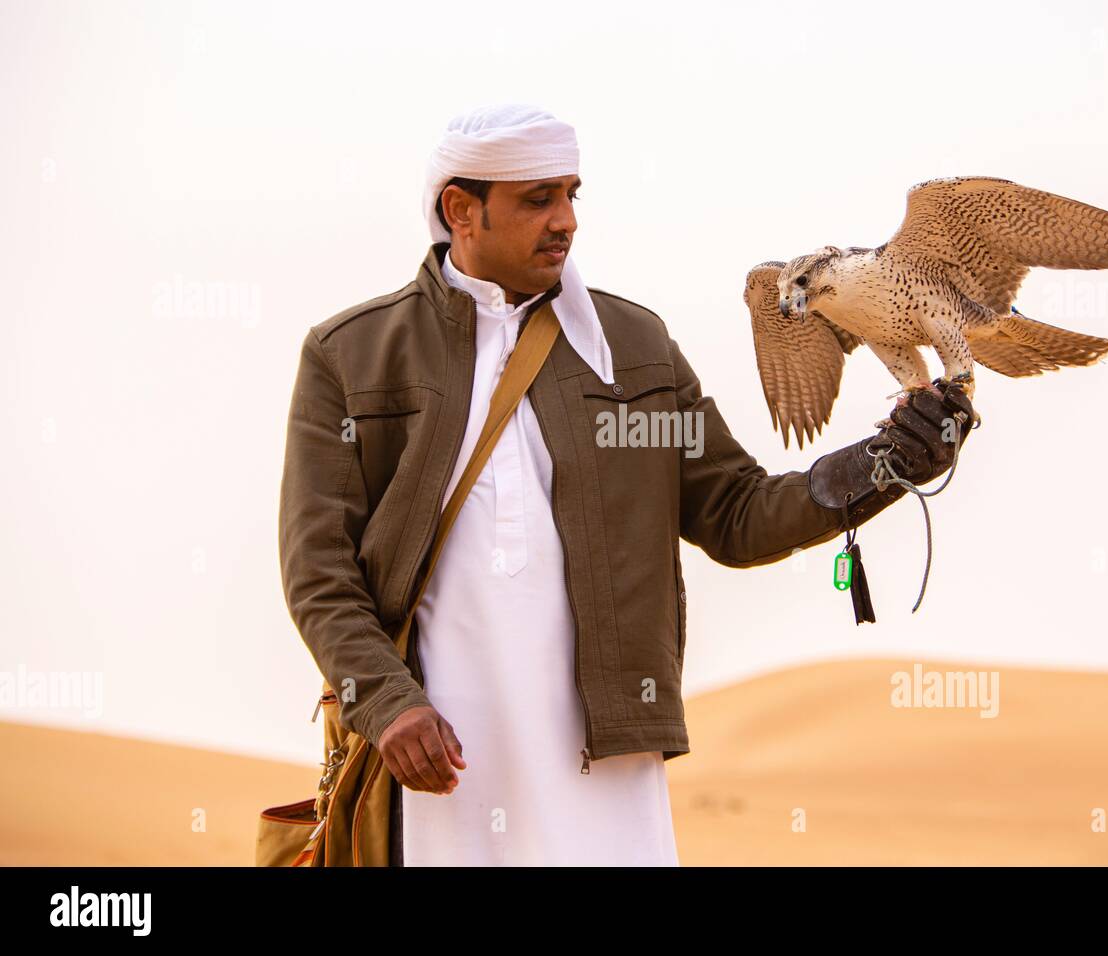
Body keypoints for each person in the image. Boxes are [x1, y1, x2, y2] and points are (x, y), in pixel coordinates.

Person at [277, 103, 976, 867]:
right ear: (460, 210)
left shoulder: (633, 349)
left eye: (573, 194)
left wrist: (885, 462)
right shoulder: (354, 356)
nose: (567, 220)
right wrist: (385, 706)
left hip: (606, 753)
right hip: (437, 757)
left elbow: (735, 514)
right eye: (538, 199)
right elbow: (319, 570)